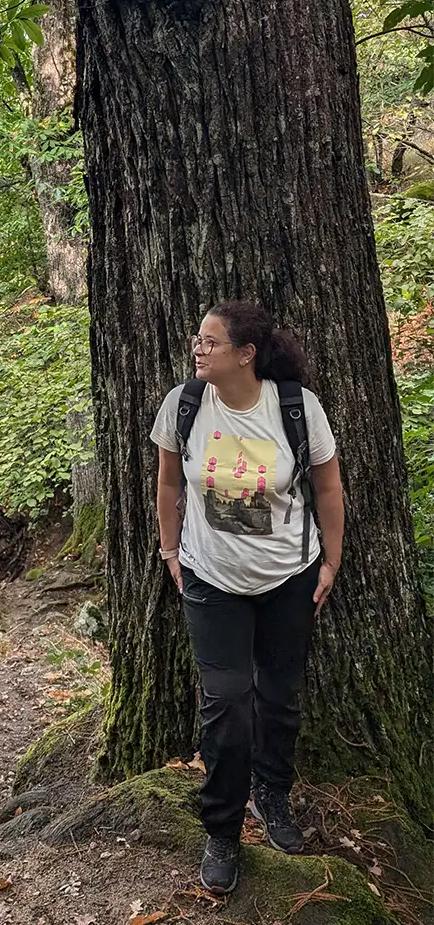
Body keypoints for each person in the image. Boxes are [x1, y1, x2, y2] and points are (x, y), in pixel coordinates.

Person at [149, 300, 344, 896]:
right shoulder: (184, 406)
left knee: (280, 698)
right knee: (228, 705)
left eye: (210, 341)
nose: (197, 349)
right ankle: (223, 830)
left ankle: (272, 797)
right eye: (196, 339)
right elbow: (168, 481)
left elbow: (329, 485)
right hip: (212, 581)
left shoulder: (294, 408)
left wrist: (331, 561)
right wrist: (169, 550)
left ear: (245, 354)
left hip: (290, 577)